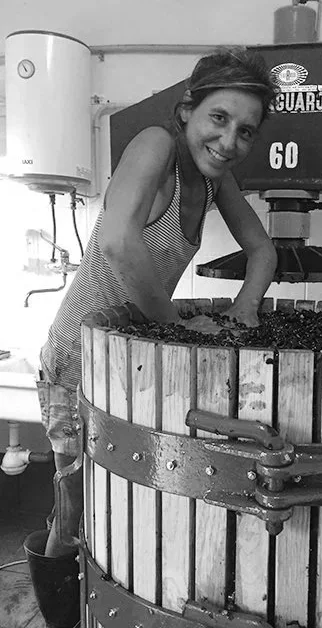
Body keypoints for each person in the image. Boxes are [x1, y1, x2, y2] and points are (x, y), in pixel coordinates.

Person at [24, 47, 278, 628]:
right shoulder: (155, 144)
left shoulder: (213, 180)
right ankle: (61, 616)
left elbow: (262, 251)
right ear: (188, 109)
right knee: (78, 510)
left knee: (126, 501)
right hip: (79, 357)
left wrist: (245, 309)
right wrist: (174, 329)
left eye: (246, 131)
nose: (230, 140)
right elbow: (118, 240)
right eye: (219, 118)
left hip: (130, 357)